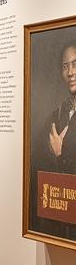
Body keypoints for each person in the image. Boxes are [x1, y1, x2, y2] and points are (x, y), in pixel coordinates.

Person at [42, 41, 76, 175]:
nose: (70, 72)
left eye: (75, 64)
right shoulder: (57, 115)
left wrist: (59, 153)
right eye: (65, 67)